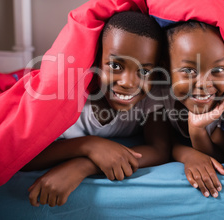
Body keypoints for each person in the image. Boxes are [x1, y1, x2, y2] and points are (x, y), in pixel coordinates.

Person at [22, 11, 171, 207]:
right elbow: (22, 157)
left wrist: (83, 165)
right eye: (115, 65)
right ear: (96, 60)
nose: (128, 83)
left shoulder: (153, 92)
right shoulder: (70, 99)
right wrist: (89, 145)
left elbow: (160, 149)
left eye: (144, 71)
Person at [162, 20, 224, 199]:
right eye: (188, 70)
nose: (204, 84)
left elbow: (220, 155)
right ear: (166, 70)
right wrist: (187, 154)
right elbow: (163, 141)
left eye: (217, 69)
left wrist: (197, 129)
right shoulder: (160, 94)